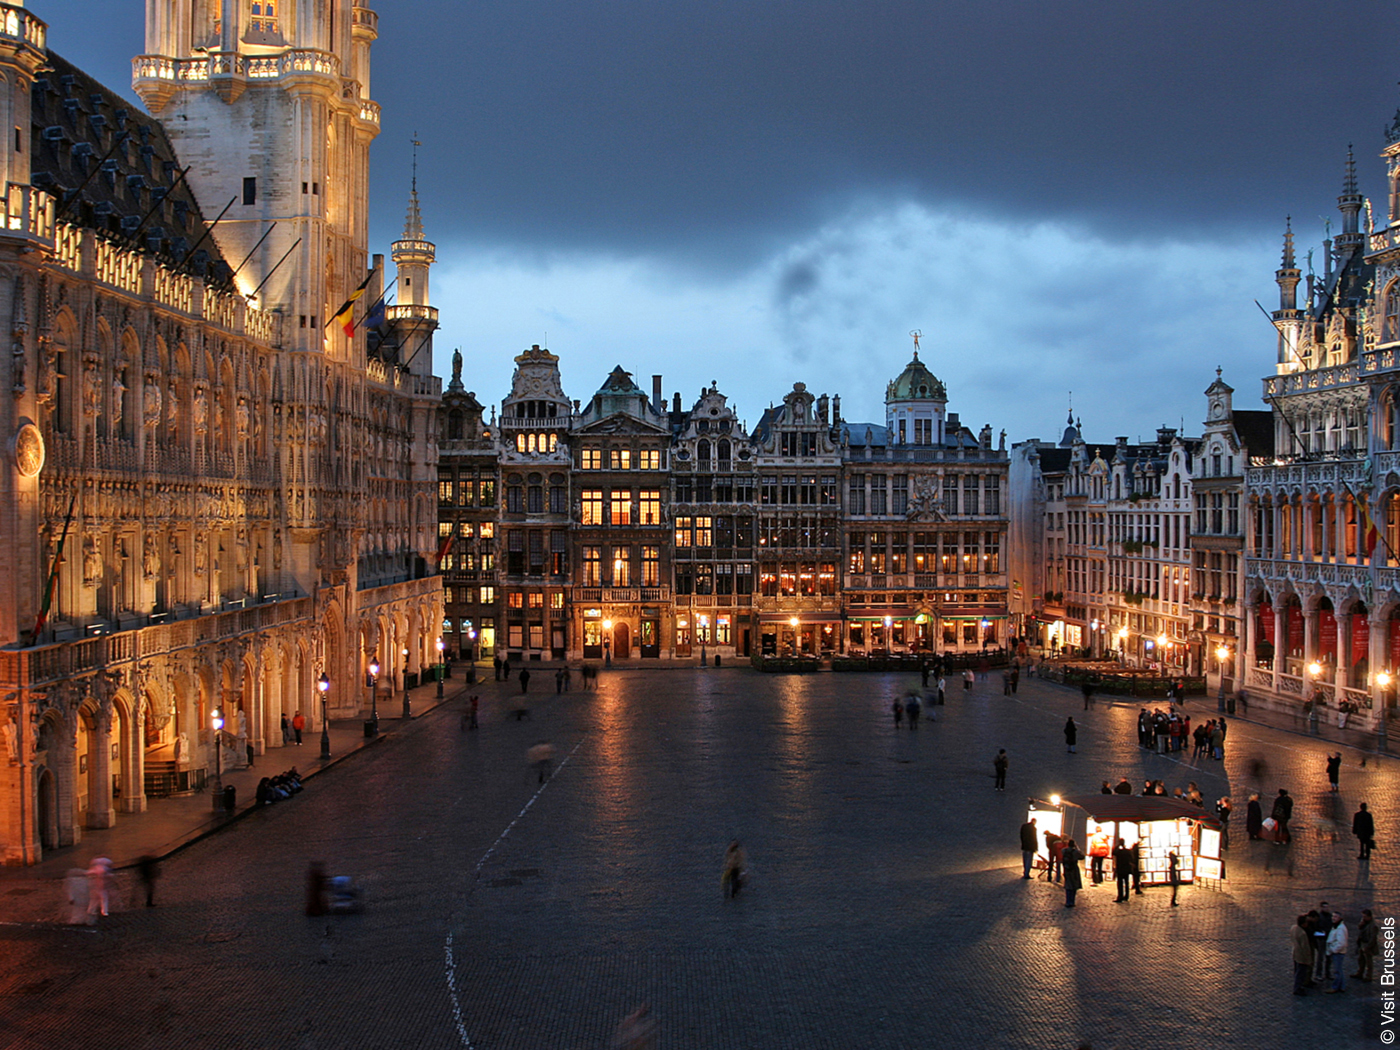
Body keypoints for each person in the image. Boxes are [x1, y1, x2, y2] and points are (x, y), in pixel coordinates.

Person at [1325, 912, 1348, 993]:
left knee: (1337, 970)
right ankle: (1341, 986)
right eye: (1333, 916)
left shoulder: (1340, 928)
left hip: (1338, 952)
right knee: (1339, 970)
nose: (1333, 918)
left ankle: (1336, 987)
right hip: (1337, 951)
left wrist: (1333, 949)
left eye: (1336, 917)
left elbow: (1341, 943)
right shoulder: (1336, 927)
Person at [1292, 914, 1314, 996]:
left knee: (1297, 971)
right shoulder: (1303, 934)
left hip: (1295, 953)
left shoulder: (1294, 928)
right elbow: (1305, 948)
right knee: (1301, 973)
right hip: (1301, 957)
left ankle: (1298, 987)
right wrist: (1309, 959)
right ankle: (1297, 988)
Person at [1356, 909, 1378, 982]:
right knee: (1361, 960)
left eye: (1365, 916)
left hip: (1367, 945)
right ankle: (1360, 973)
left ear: (1369, 917)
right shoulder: (1364, 922)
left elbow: (1373, 938)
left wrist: (1368, 947)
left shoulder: (1373, 926)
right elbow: (1359, 928)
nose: (1363, 918)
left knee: (1368, 962)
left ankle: (1369, 976)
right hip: (1362, 943)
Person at [1062, 838, 1084, 907]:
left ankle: (1067, 901)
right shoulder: (1075, 852)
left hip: (1066, 869)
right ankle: (1072, 901)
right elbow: (1082, 856)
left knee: (1068, 885)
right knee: (1074, 886)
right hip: (1074, 869)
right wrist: (1077, 848)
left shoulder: (1064, 850)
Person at [1112, 838, 1134, 902]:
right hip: (1126, 868)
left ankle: (1120, 896)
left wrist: (1117, 845)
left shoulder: (1118, 852)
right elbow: (1131, 859)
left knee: (1120, 883)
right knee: (1126, 882)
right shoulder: (1127, 851)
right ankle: (1126, 896)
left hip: (1120, 868)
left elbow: (1113, 852)